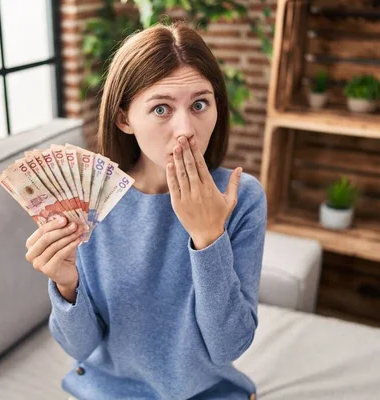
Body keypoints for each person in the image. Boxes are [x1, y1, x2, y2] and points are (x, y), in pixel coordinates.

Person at [25, 21, 267, 400]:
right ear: (124, 118)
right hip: (107, 391)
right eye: (161, 108)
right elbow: (79, 348)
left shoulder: (242, 199)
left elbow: (229, 347)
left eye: (200, 104)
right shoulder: (90, 199)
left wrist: (209, 239)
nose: (186, 128)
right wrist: (66, 286)